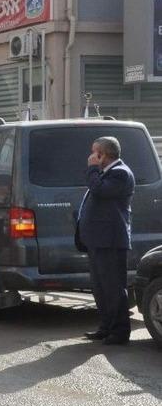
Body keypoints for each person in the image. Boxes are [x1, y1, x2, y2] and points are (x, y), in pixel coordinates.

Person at [78, 136, 134, 346]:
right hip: (98, 240)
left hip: (110, 240)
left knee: (113, 287)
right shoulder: (105, 173)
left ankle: (119, 331)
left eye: (95, 152)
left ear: (104, 154)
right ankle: (106, 327)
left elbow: (100, 190)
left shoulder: (120, 173)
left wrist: (92, 169)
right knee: (100, 287)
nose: (91, 156)